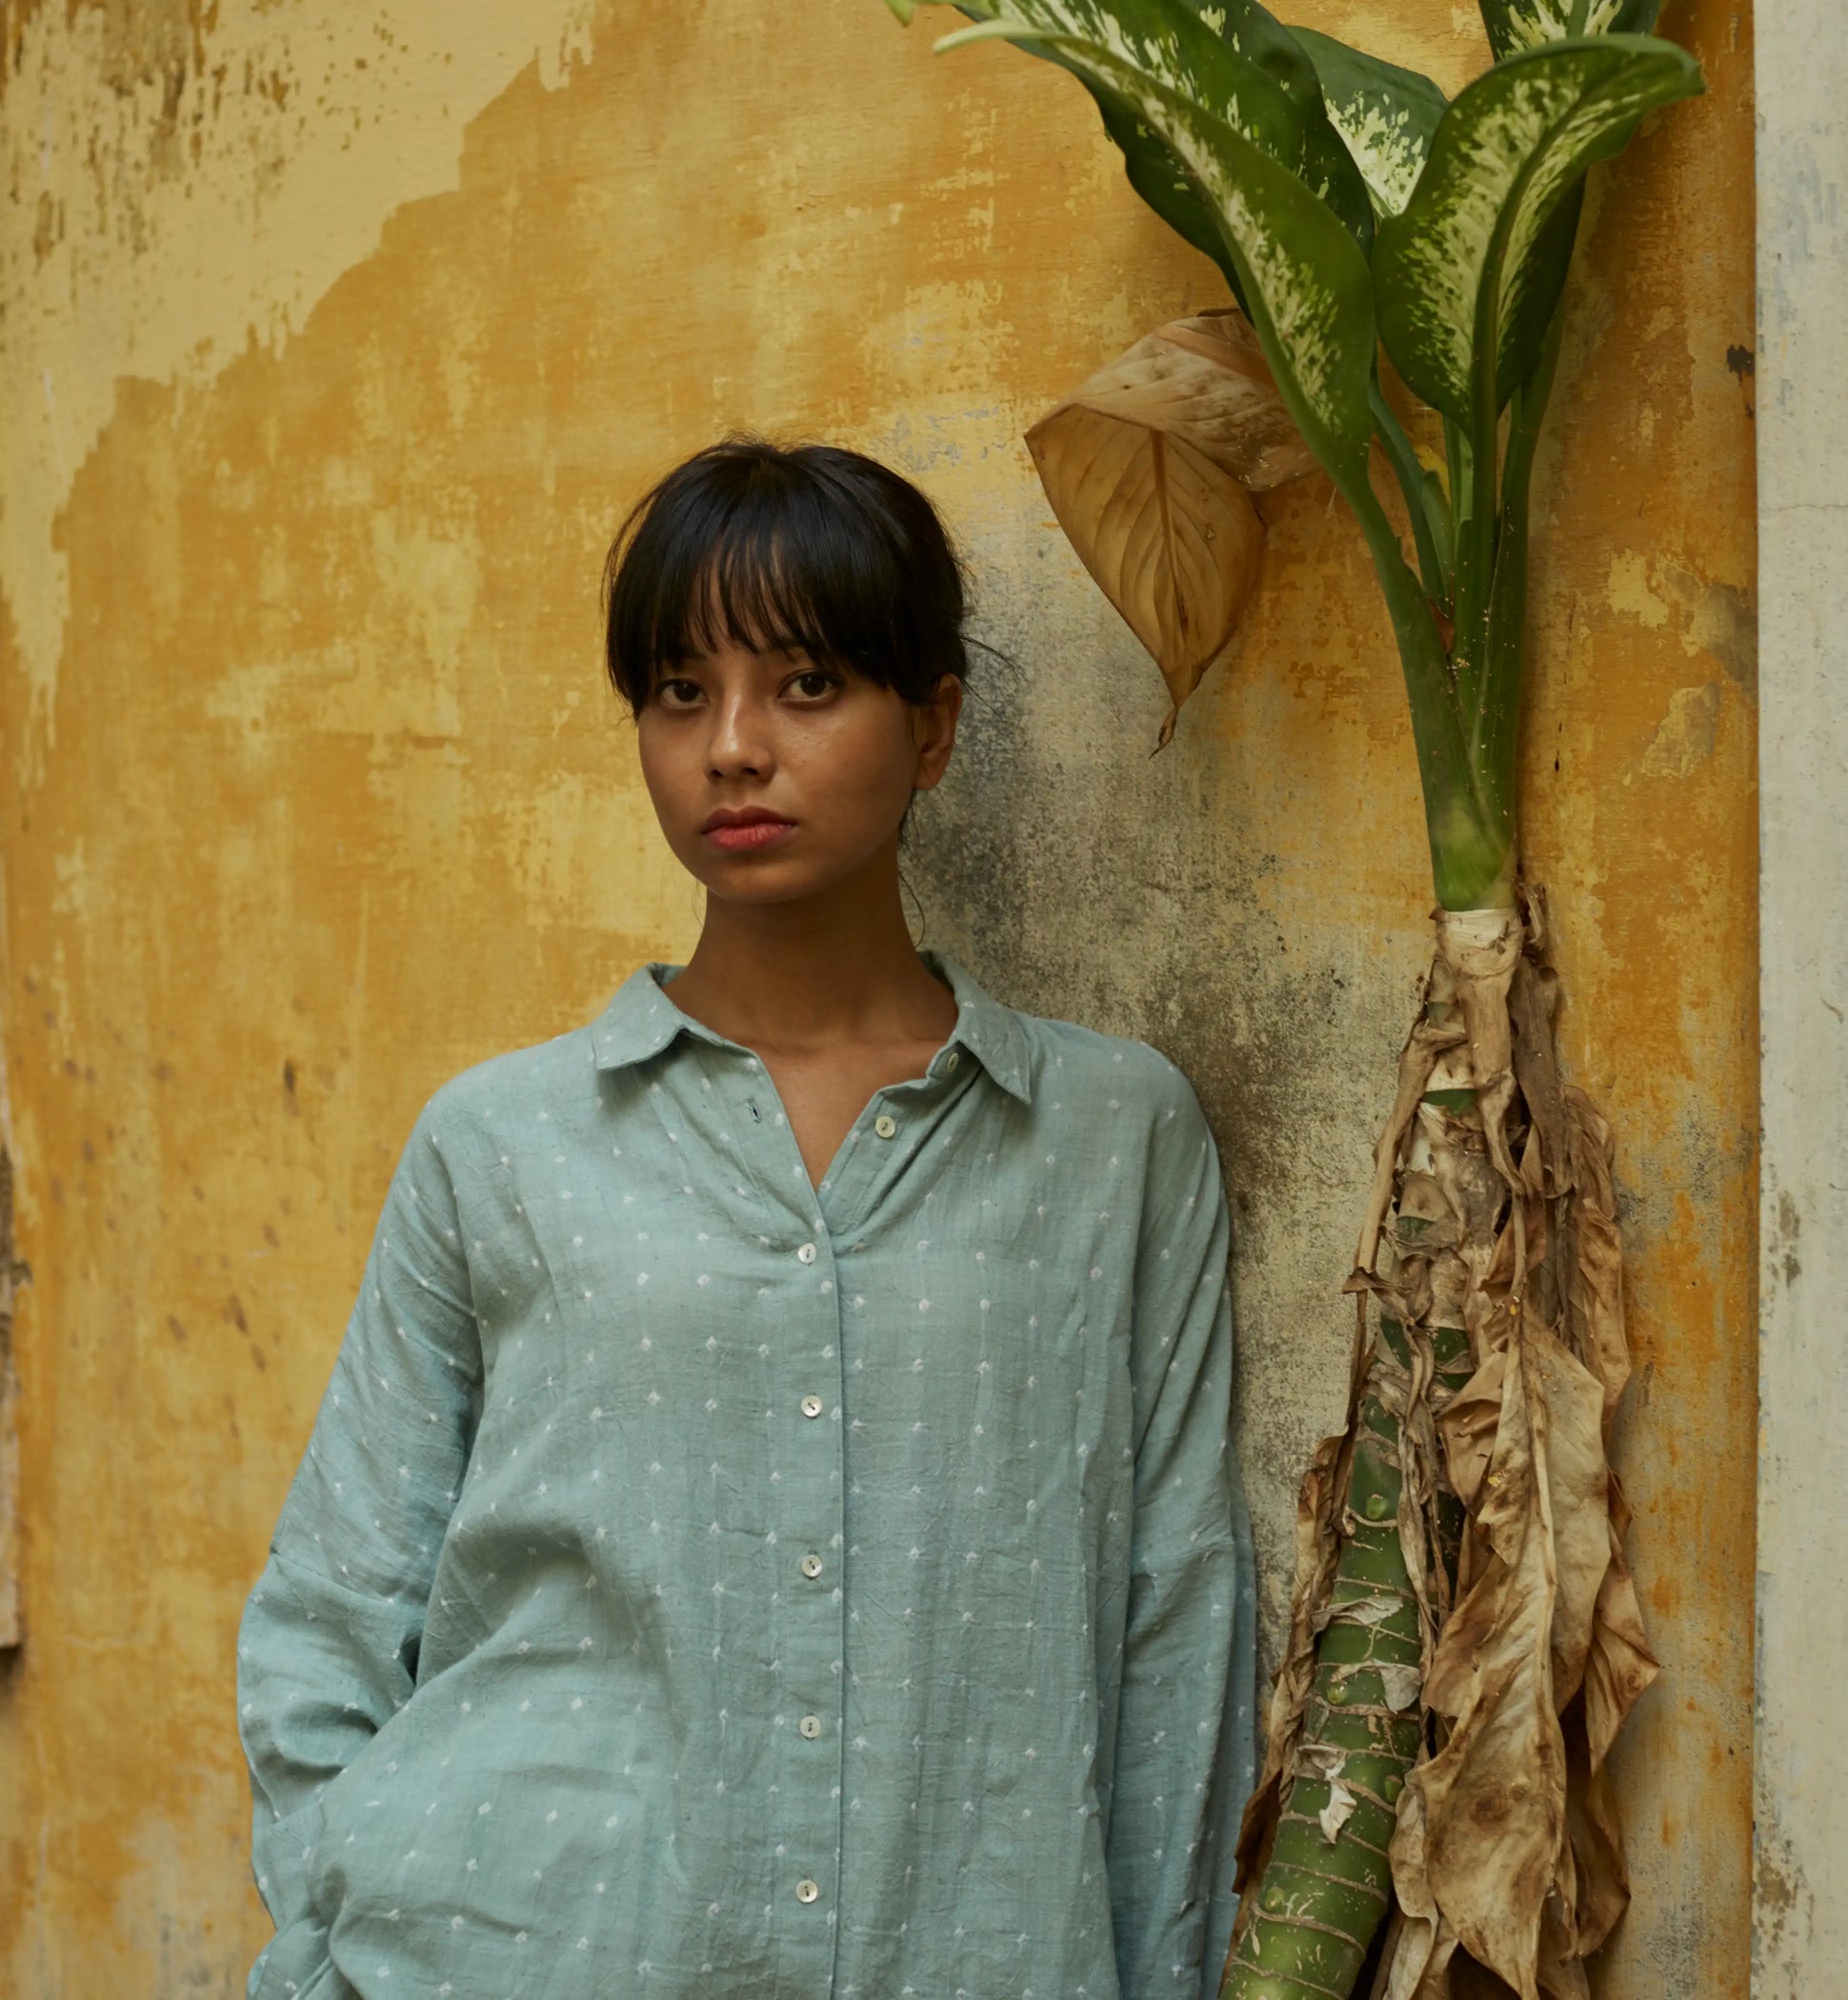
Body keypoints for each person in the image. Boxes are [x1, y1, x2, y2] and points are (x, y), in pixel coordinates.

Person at [236, 438, 1257, 2000]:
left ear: (933, 725)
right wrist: (335, 1905)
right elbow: (333, 1604)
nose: (731, 748)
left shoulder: (1113, 1141)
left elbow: (1173, 1628)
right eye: (676, 690)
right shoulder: (500, 1144)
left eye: (804, 683)